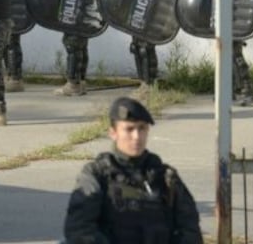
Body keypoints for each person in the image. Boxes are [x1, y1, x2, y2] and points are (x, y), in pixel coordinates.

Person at [64, 97, 203, 244]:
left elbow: (190, 230)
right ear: (113, 133)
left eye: (142, 128)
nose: (136, 137)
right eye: (129, 129)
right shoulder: (97, 174)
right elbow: (79, 229)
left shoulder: (165, 178)